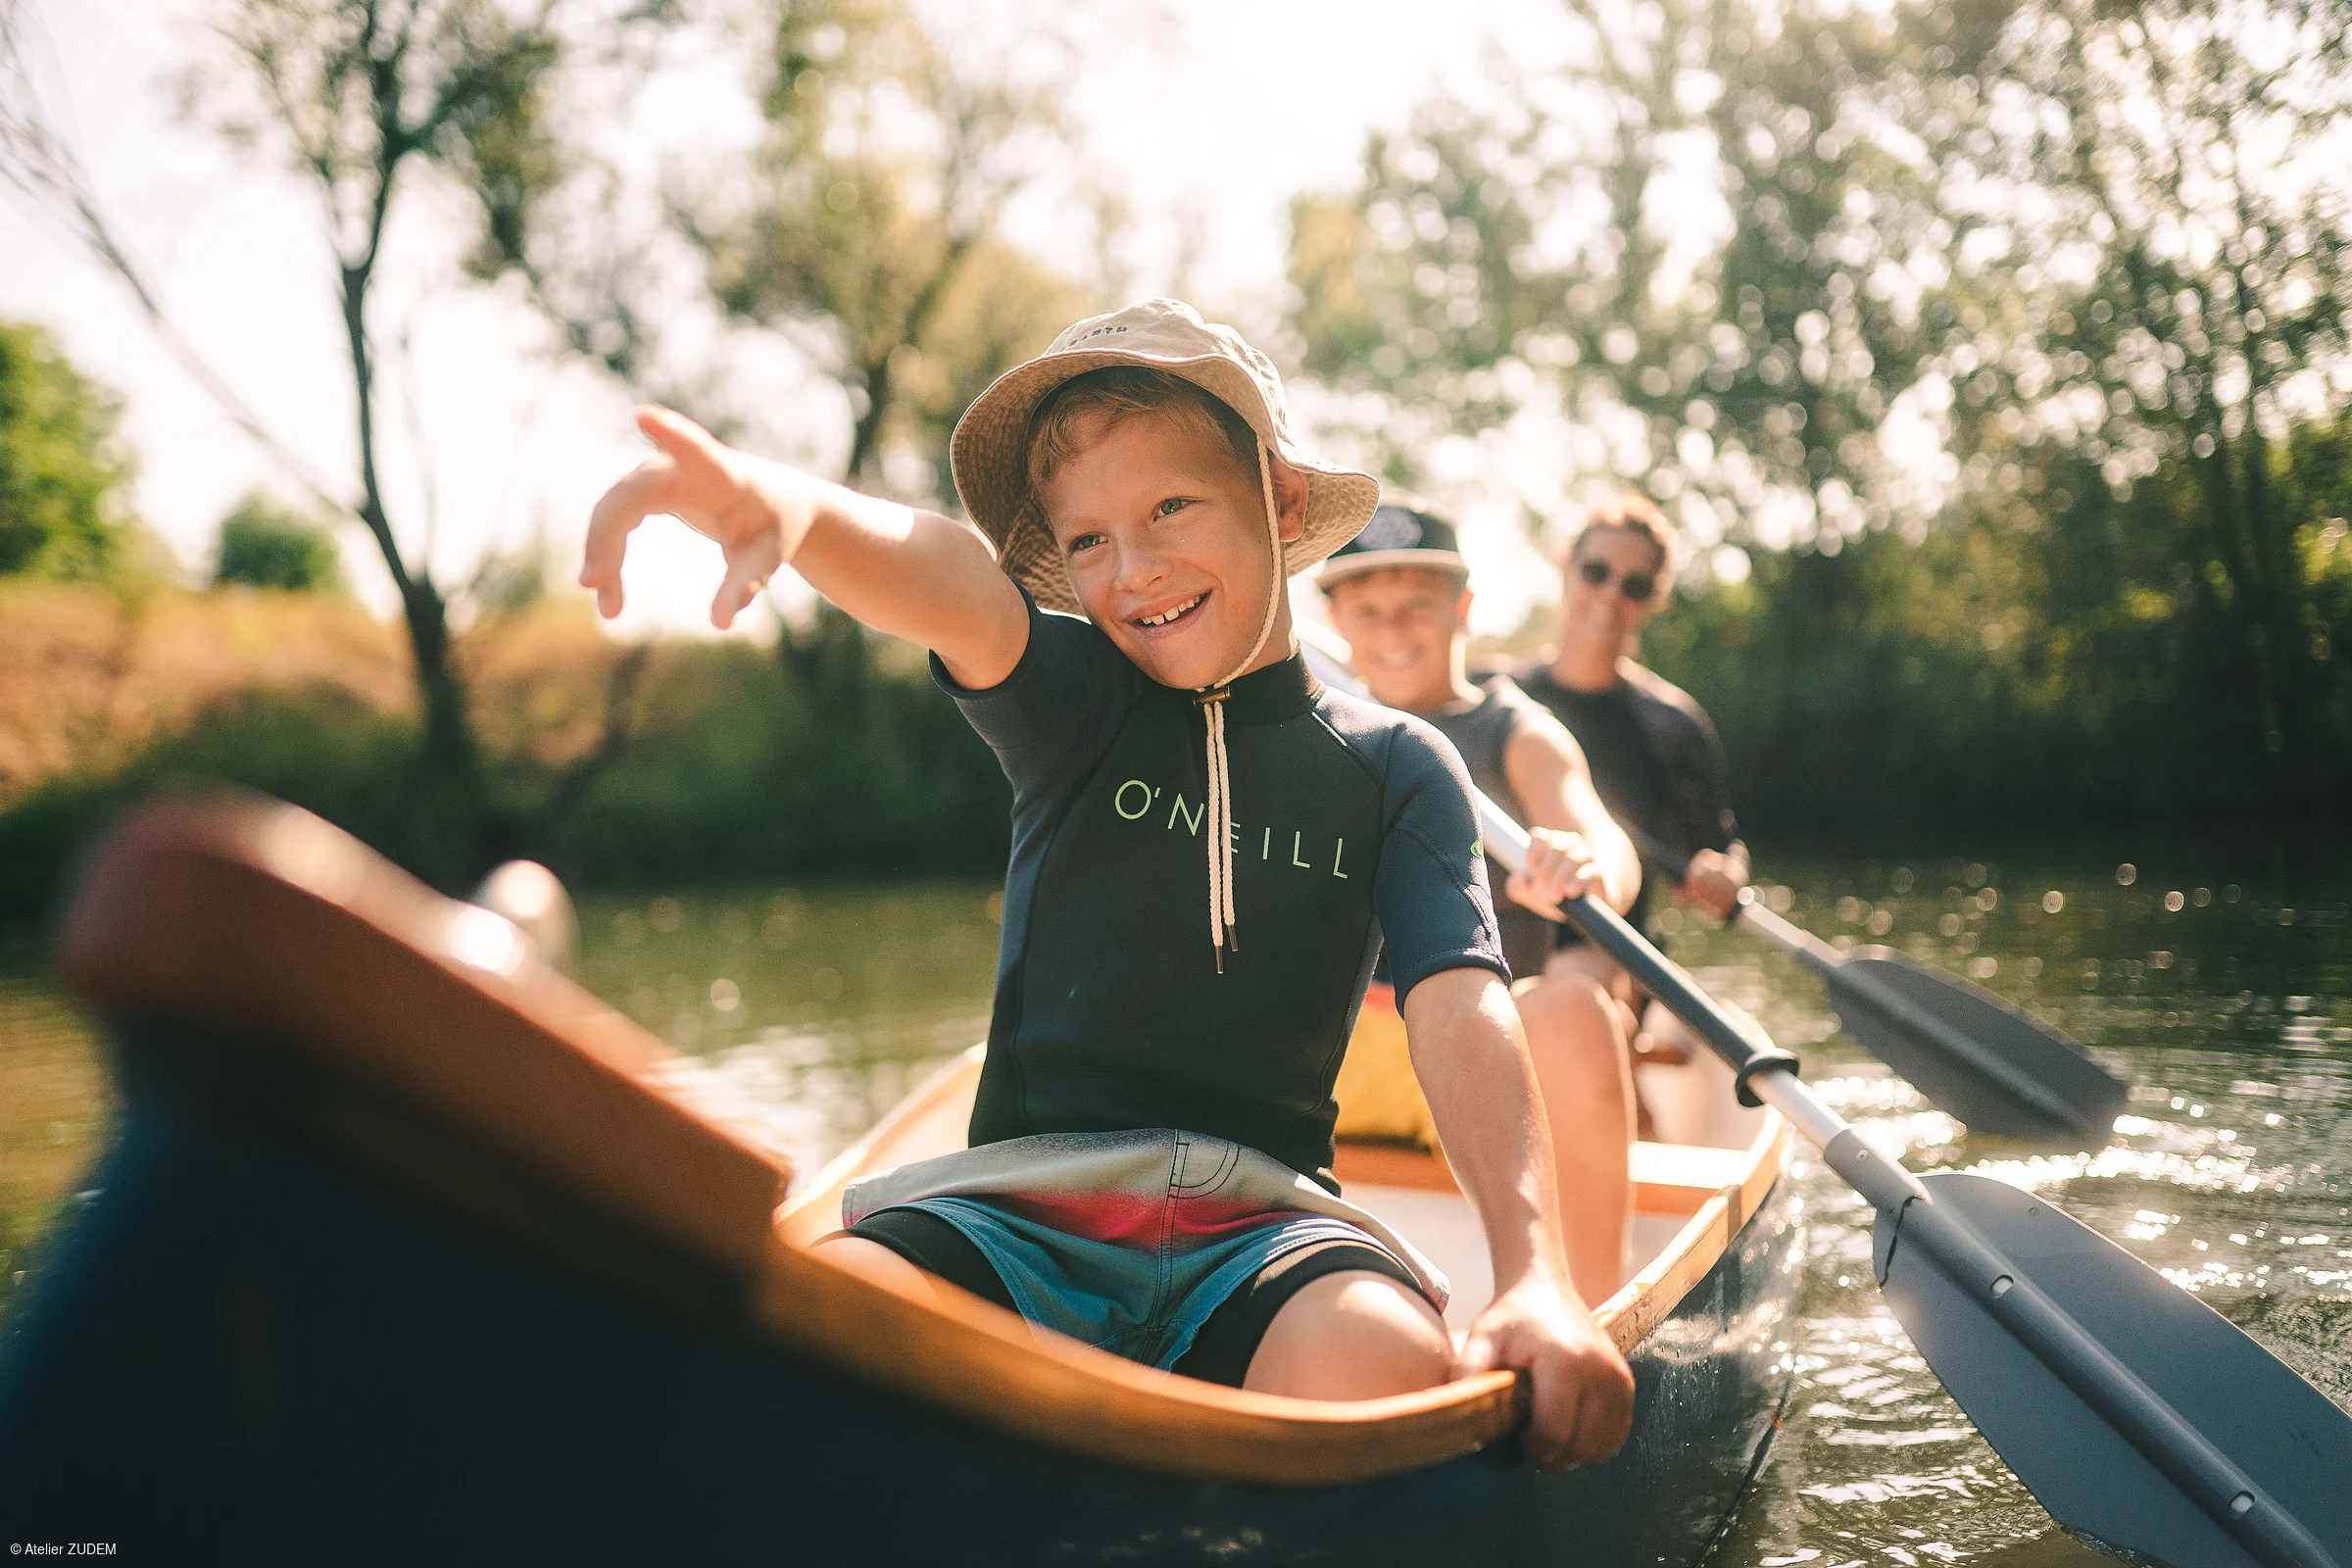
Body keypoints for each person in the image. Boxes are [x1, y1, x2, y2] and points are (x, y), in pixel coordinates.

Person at [579, 298, 1634, 1469]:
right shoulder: (1077, 696)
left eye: (1170, 506)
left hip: (1268, 1224)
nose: (1133, 571)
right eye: (1085, 542)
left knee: (1380, 1366)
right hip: (1019, 1206)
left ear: (1282, 504)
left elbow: (1461, 1006)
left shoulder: (1397, 767)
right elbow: (955, 578)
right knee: (824, 1327)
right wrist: (793, 506)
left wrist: (1536, 1275)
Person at [1318, 504, 1643, 1304]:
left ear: (1462, 610)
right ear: (1333, 621)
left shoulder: (1516, 733)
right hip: (1336, 1061)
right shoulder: (1311, 726)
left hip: (1484, 1057)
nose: (1392, 629)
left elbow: (1605, 843)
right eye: (1368, 611)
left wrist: (1585, 865)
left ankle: (1586, 1320)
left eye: (1415, 607)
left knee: (1573, 1009)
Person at [1516, 493, 1749, 933]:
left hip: (1613, 950)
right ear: (1566, 570)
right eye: (1596, 572)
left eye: (1634, 585)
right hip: (1494, 941)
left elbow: (1721, 847)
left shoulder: (1672, 724)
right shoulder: (1497, 695)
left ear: (1653, 599)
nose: (1610, 594)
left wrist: (1725, 875)